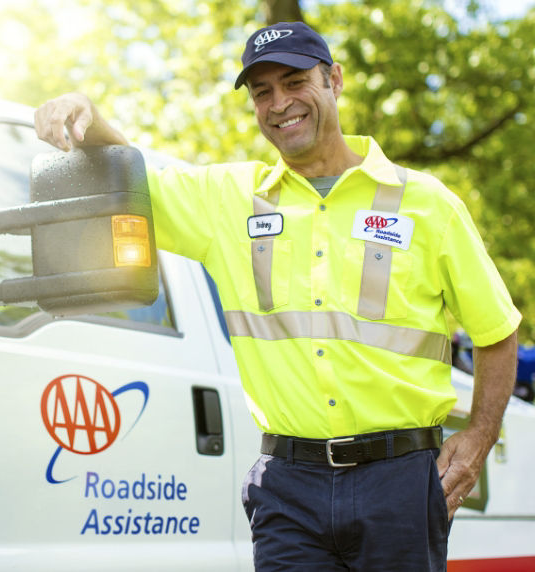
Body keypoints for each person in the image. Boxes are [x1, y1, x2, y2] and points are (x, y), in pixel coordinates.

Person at [35, 21, 520, 571]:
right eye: (262, 92)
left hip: (401, 483)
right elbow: (133, 174)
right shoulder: (229, 200)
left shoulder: (427, 204)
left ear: (334, 80)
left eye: (294, 82)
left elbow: (497, 332)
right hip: (288, 487)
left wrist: (479, 438)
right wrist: (87, 114)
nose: (279, 103)